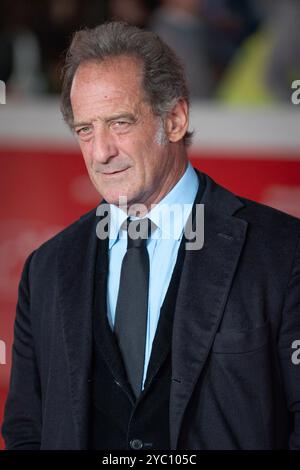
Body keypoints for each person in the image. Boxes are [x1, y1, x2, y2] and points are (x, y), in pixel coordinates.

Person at [2, 21, 300, 450]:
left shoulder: (282, 252)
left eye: (119, 123)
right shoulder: (48, 269)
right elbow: (27, 431)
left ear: (175, 119)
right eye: (85, 129)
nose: (100, 152)